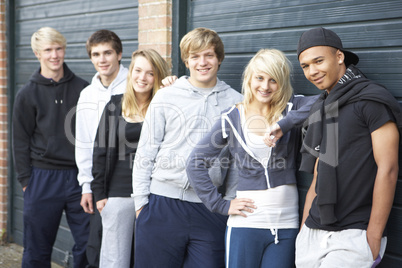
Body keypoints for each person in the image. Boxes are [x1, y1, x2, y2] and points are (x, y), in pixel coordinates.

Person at [186, 48, 318, 268]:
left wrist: (283, 124)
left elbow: (326, 100)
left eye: (273, 80)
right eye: (259, 78)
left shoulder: (294, 107)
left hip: (286, 225)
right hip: (246, 225)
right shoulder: (232, 118)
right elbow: (195, 163)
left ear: (282, 83)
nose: (265, 86)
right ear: (249, 78)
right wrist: (220, 205)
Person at [132, 27, 244, 267]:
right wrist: (141, 203)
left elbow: (236, 161)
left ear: (219, 58)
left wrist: (228, 203)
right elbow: (146, 151)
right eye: (195, 56)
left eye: (209, 55)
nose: (202, 62)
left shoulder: (236, 102)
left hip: (209, 208)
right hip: (161, 204)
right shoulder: (166, 96)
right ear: (186, 61)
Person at [295, 27, 401, 268]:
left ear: (339, 57)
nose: (312, 71)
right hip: (313, 234)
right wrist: (303, 231)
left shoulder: (371, 100)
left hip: (355, 233)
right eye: (305, 66)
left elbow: (389, 169)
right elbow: (317, 175)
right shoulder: (321, 108)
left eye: (318, 61)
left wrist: (372, 237)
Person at [12, 27, 90, 268]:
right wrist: (27, 180)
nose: (54, 55)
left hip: (79, 178)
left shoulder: (83, 89)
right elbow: (20, 140)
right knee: (37, 248)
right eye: (48, 50)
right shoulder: (27, 94)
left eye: (58, 48)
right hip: (42, 178)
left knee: (89, 245)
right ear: (38, 54)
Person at [91, 49, 170, 267]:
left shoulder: (163, 106)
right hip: (118, 194)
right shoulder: (115, 105)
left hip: (155, 194)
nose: (142, 78)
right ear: (130, 72)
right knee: (115, 260)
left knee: (148, 258)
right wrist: (99, 194)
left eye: (150, 73)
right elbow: (100, 152)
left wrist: (172, 89)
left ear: (158, 77)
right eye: (138, 70)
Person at [75, 29, 128, 268]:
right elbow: (84, 143)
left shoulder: (135, 83)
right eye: (96, 54)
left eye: (107, 53)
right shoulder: (87, 94)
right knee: (99, 246)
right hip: (101, 181)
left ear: (119, 54)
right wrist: (87, 186)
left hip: (129, 178)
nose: (102, 59)